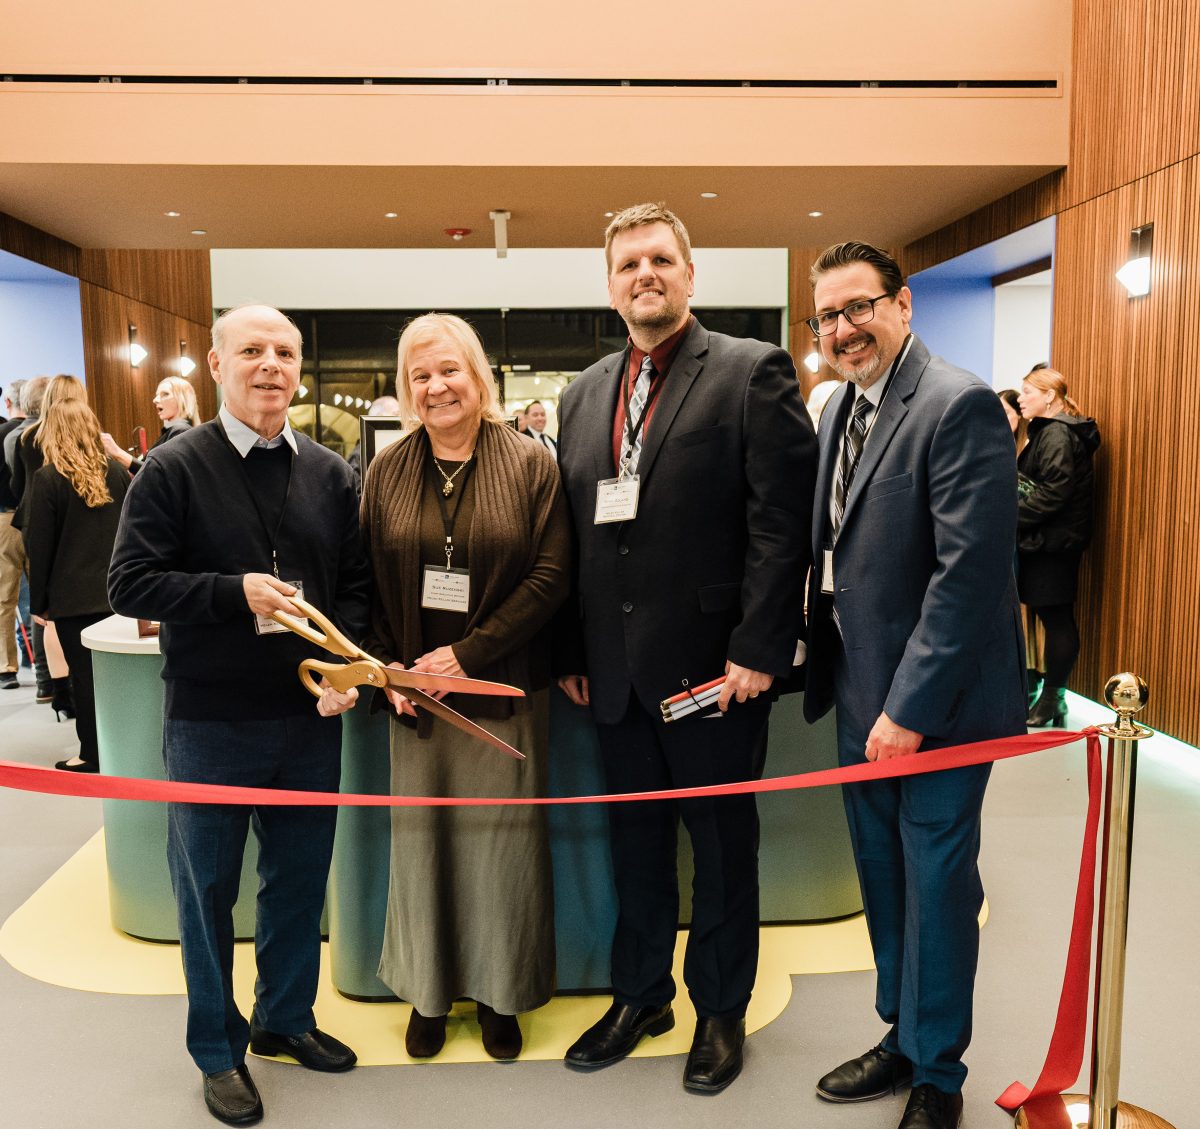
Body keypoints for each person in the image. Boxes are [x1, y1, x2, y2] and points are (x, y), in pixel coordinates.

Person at [555, 203, 816, 1093]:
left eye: (660, 259)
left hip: (718, 674)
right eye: (628, 264)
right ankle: (641, 994)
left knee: (719, 847)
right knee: (635, 843)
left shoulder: (750, 372)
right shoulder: (583, 393)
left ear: (690, 275)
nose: (645, 275)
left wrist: (759, 647)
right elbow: (577, 536)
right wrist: (573, 647)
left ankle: (718, 1008)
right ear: (611, 284)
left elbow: (782, 527)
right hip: (616, 676)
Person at [108, 304, 370, 1126]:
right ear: (216, 365)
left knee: (297, 886)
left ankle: (285, 1021)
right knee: (208, 892)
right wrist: (234, 592)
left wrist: (347, 672)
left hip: (307, 720)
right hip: (210, 723)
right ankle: (217, 1050)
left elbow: (352, 588)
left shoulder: (330, 472)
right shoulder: (173, 468)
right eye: (251, 350)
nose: (270, 366)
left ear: (299, 370)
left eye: (285, 353)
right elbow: (130, 583)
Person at [803, 242, 1026, 1129]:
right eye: (827, 316)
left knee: (937, 889)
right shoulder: (840, 414)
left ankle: (938, 1070)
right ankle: (900, 1030)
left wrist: (906, 711)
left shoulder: (957, 402)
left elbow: (969, 578)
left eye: (859, 308)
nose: (844, 329)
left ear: (902, 306)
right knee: (883, 879)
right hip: (860, 698)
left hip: (932, 712)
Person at [360, 313, 569, 1061]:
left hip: (502, 692)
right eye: (420, 375)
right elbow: (368, 581)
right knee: (423, 848)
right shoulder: (385, 470)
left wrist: (468, 654)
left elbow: (551, 577)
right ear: (406, 390)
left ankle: (499, 993)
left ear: (478, 377)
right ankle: (427, 991)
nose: (436, 386)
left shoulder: (531, 462)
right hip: (414, 698)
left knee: (499, 850)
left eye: (449, 370)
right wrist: (389, 666)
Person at [25, 399, 130, 768]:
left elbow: (40, 548)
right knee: (120, 682)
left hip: (72, 601)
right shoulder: (117, 472)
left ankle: (92, 754)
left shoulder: (48, 479)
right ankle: (127, 749)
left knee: (85, 682)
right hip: (119, 595)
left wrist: (38, 603)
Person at [1016, 367, 1100, 728]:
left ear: (1049, 396)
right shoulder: (1052, 432)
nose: (1020, 398)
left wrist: (1011, 516)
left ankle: (1053, 699)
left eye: (1027, 392)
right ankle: (1052, 699)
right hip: (1049, 542)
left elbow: (1054, 492)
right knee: (1054, 618)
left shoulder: (1056, 435)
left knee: (1057, 619)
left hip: (1053, 545)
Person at [102, 375, 200, 473]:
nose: (155, 400)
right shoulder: (174, 432)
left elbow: (159, 475)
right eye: (157, 395)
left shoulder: (181, 431)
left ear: (183, 399)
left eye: (165, 394)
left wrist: (118, 453)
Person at [0, 379, 28, 690]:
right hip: (35, 519)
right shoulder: (40, 435)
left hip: (4, 521)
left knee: (4, 599)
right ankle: (48, 671)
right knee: (42, 597)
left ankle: (6, 669)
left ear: (9, 404)